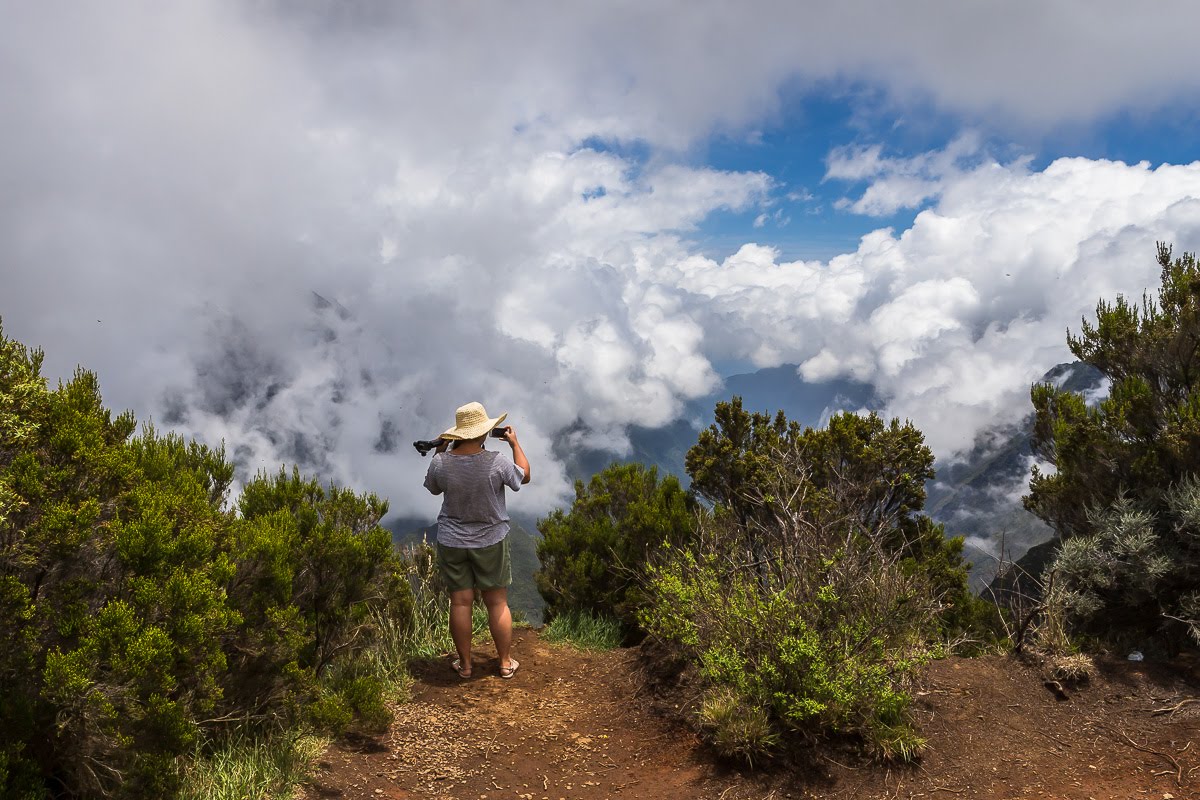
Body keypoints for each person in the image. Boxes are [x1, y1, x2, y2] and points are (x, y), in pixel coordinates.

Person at [423, 401, 530, 679]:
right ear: (484, 432)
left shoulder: (441, 462)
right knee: (497, 603)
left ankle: (466, 665)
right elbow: (524, 477)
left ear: (457, 434)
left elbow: (433, 489)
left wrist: (440, 450)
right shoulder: (496, 461)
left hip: (452, 541)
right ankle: (505, 663)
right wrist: (514, 444)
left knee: (460, 602)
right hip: (490, 540)